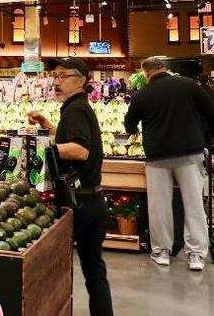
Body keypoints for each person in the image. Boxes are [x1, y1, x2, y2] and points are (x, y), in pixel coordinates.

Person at [28, 57, 113, 316]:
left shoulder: (75, 109)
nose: (57, 81)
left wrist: (38, 146)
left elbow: (80, 150)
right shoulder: (77, 108)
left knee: (52, 268)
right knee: (94, 270)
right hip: (94, 201)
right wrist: (48, 128)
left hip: (80, 204)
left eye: (63, 76)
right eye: (55, 76)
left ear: (82, 80)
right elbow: (73, 140)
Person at [124, 57, 213, 271]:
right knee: (194, 205)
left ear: (146, 73)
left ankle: (161, 252)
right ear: (165, 69)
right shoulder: (188, 85)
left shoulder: (142, 94)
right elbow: (211, 110)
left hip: (157, 158)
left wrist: (139, 128)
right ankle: (196, 255)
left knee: (159, 206)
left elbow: (129, 124)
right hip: (190, 154)